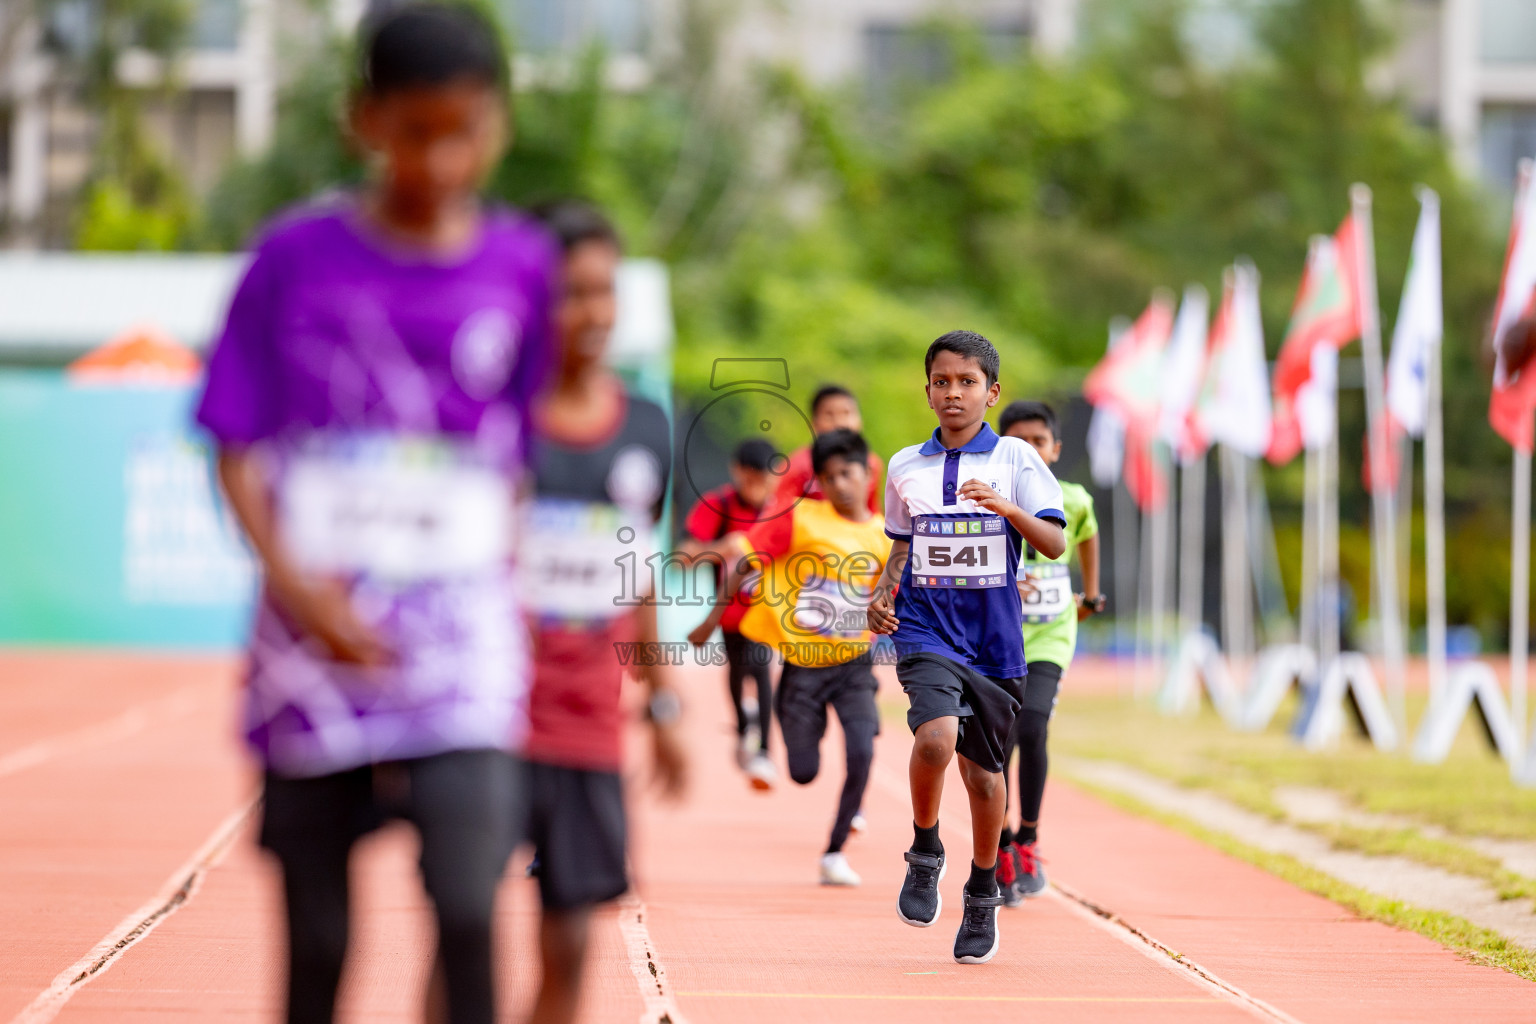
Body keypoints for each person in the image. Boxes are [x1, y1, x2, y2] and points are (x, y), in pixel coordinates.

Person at [194, 6, 548, 1023]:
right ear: (365, 121)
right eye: (415, 131)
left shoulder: (521, 266)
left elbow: (518, 457)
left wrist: (497, 585)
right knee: (317, 939)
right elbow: (233, 442)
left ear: (498, 127)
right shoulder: (292, 259)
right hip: (312, 637)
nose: (439, 159)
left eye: (464, 131)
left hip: (461, 647)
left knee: (472, 908)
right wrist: (299, 590)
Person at [516, 199, 687, 1024]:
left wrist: (659, 700)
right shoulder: (494, 417)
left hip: (587, 721)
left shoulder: (647, 428)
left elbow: (637, 572)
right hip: (486, 712)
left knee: (570, 937)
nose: (590, 312)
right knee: (464, 928)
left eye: (603, 290)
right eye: (568, 292)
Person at [868, 330, 1065, 966]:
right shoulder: (904, 465)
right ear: (927, 391)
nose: (954, 393)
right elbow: (902, 542)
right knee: (933, 739)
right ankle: (925, 850)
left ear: (992, 391)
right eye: (942, 382)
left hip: (995, 640)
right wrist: (880, 592)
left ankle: (982, 892)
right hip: (925, 626)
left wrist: (1005, 506)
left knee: (984, 778)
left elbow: (1054, 543)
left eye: (967, 382)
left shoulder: (1015, 458)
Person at [689, 429, 887, 886]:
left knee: (861, 751)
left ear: (866, 474)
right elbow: (743, 560)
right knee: (802, 771)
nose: (840, 484)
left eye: (848, 473)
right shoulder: (800, 518)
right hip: (802, 669)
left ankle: (834, 851)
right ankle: (793, 724)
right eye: (829, 476)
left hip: (855, 667)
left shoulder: (884, 535)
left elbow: (905, 589)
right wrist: (710, 620)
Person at [993, 401, 1102, 905]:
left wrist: (1093, 595)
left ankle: (1028, 838)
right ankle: (1000, 842)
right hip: (997, 633)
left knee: (1032, 723)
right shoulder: (987, 497)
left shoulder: (1074, 498)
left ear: (1055, 449)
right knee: (998, 739)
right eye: (1018, 440)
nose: (1029, 449)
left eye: (1039, 440)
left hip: (1052, 633)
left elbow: (1087, 537)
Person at [682, 439, 779, 786]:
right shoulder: (718, 504)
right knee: (739, 670)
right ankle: (742, 725)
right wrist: (720, 548)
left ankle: (765, 752)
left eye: (766, 480)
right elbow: (683, 556)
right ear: (737, 471)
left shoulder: (781, 508)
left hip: (767, 613)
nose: (759, 488)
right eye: (751, 479)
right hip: (729, 613)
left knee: (761, 668)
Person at [762, 384, 884, 514]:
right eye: (829, 415)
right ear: (814, 423)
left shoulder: (871, 464)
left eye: (846, 413)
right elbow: (777, 515)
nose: (839, 422)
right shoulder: (795, 467)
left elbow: (871, 513)